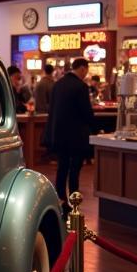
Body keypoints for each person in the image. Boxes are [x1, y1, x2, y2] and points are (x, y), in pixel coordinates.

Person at [42, 57, 99, 215]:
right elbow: (86, 112)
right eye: (86, 71)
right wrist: (96, 129)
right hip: (76, 136)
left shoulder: (57, 84)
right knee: (75, 169)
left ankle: (60, 199)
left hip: (59, 134)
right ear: (82, 68)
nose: (86, 74)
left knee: (62, 168)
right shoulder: (80, 86)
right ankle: (74, 200)